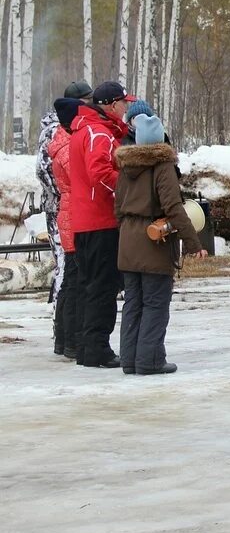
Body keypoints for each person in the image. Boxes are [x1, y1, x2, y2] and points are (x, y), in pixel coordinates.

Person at [114, 114, 206, 375]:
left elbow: (118, 208)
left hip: (129, 239)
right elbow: (174, 207)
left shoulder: (125, 165)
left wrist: (127, 230)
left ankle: (130, 360)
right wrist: (192, 242)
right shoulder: (162, 165)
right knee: (155, 302)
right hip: (153, 240)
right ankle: (150, 360)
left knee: (133, 302)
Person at [67, 81, 132, 368]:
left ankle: (86, 345)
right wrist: (129, 188)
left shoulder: (84, 130)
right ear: (111, 104)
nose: (126, 108)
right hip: (100, 220)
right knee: (102, 287)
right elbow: (100, 173)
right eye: (124, 103)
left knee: (89, 286)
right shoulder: (98, 132)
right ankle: (96, 348)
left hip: (85, 221)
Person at [48, 86, 90, 360]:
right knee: (75, 280)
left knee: (70, 280)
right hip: (75, 212)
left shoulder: (61, 141)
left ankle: (64, 339)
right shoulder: (67, 145)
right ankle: (72, 340)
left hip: (69, 211)